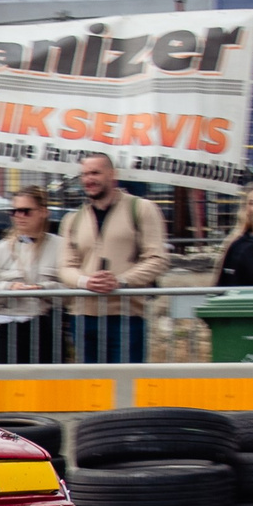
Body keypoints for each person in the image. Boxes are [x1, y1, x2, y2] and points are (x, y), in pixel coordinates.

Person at [58, 151, 169, 363]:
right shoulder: (72, 219)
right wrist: (85, 282)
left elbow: (157, 259)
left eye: (95, 173)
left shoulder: (142, 209)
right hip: (83, 316)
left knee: (125, 380)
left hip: (126, 315)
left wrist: (121, 281)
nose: (88, 179)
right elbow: (65, 266)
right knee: (91, 381)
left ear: (112, 174)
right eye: (84, 174)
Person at [0, 185, 67, 364]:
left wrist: (44, 289)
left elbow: (71, 286)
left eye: (26, 211)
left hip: (47, 325)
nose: (19, 216)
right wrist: (7, 288)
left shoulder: (60, 246)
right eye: (14, 211)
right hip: (9, 327)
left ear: (43, 212)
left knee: (49, 380)